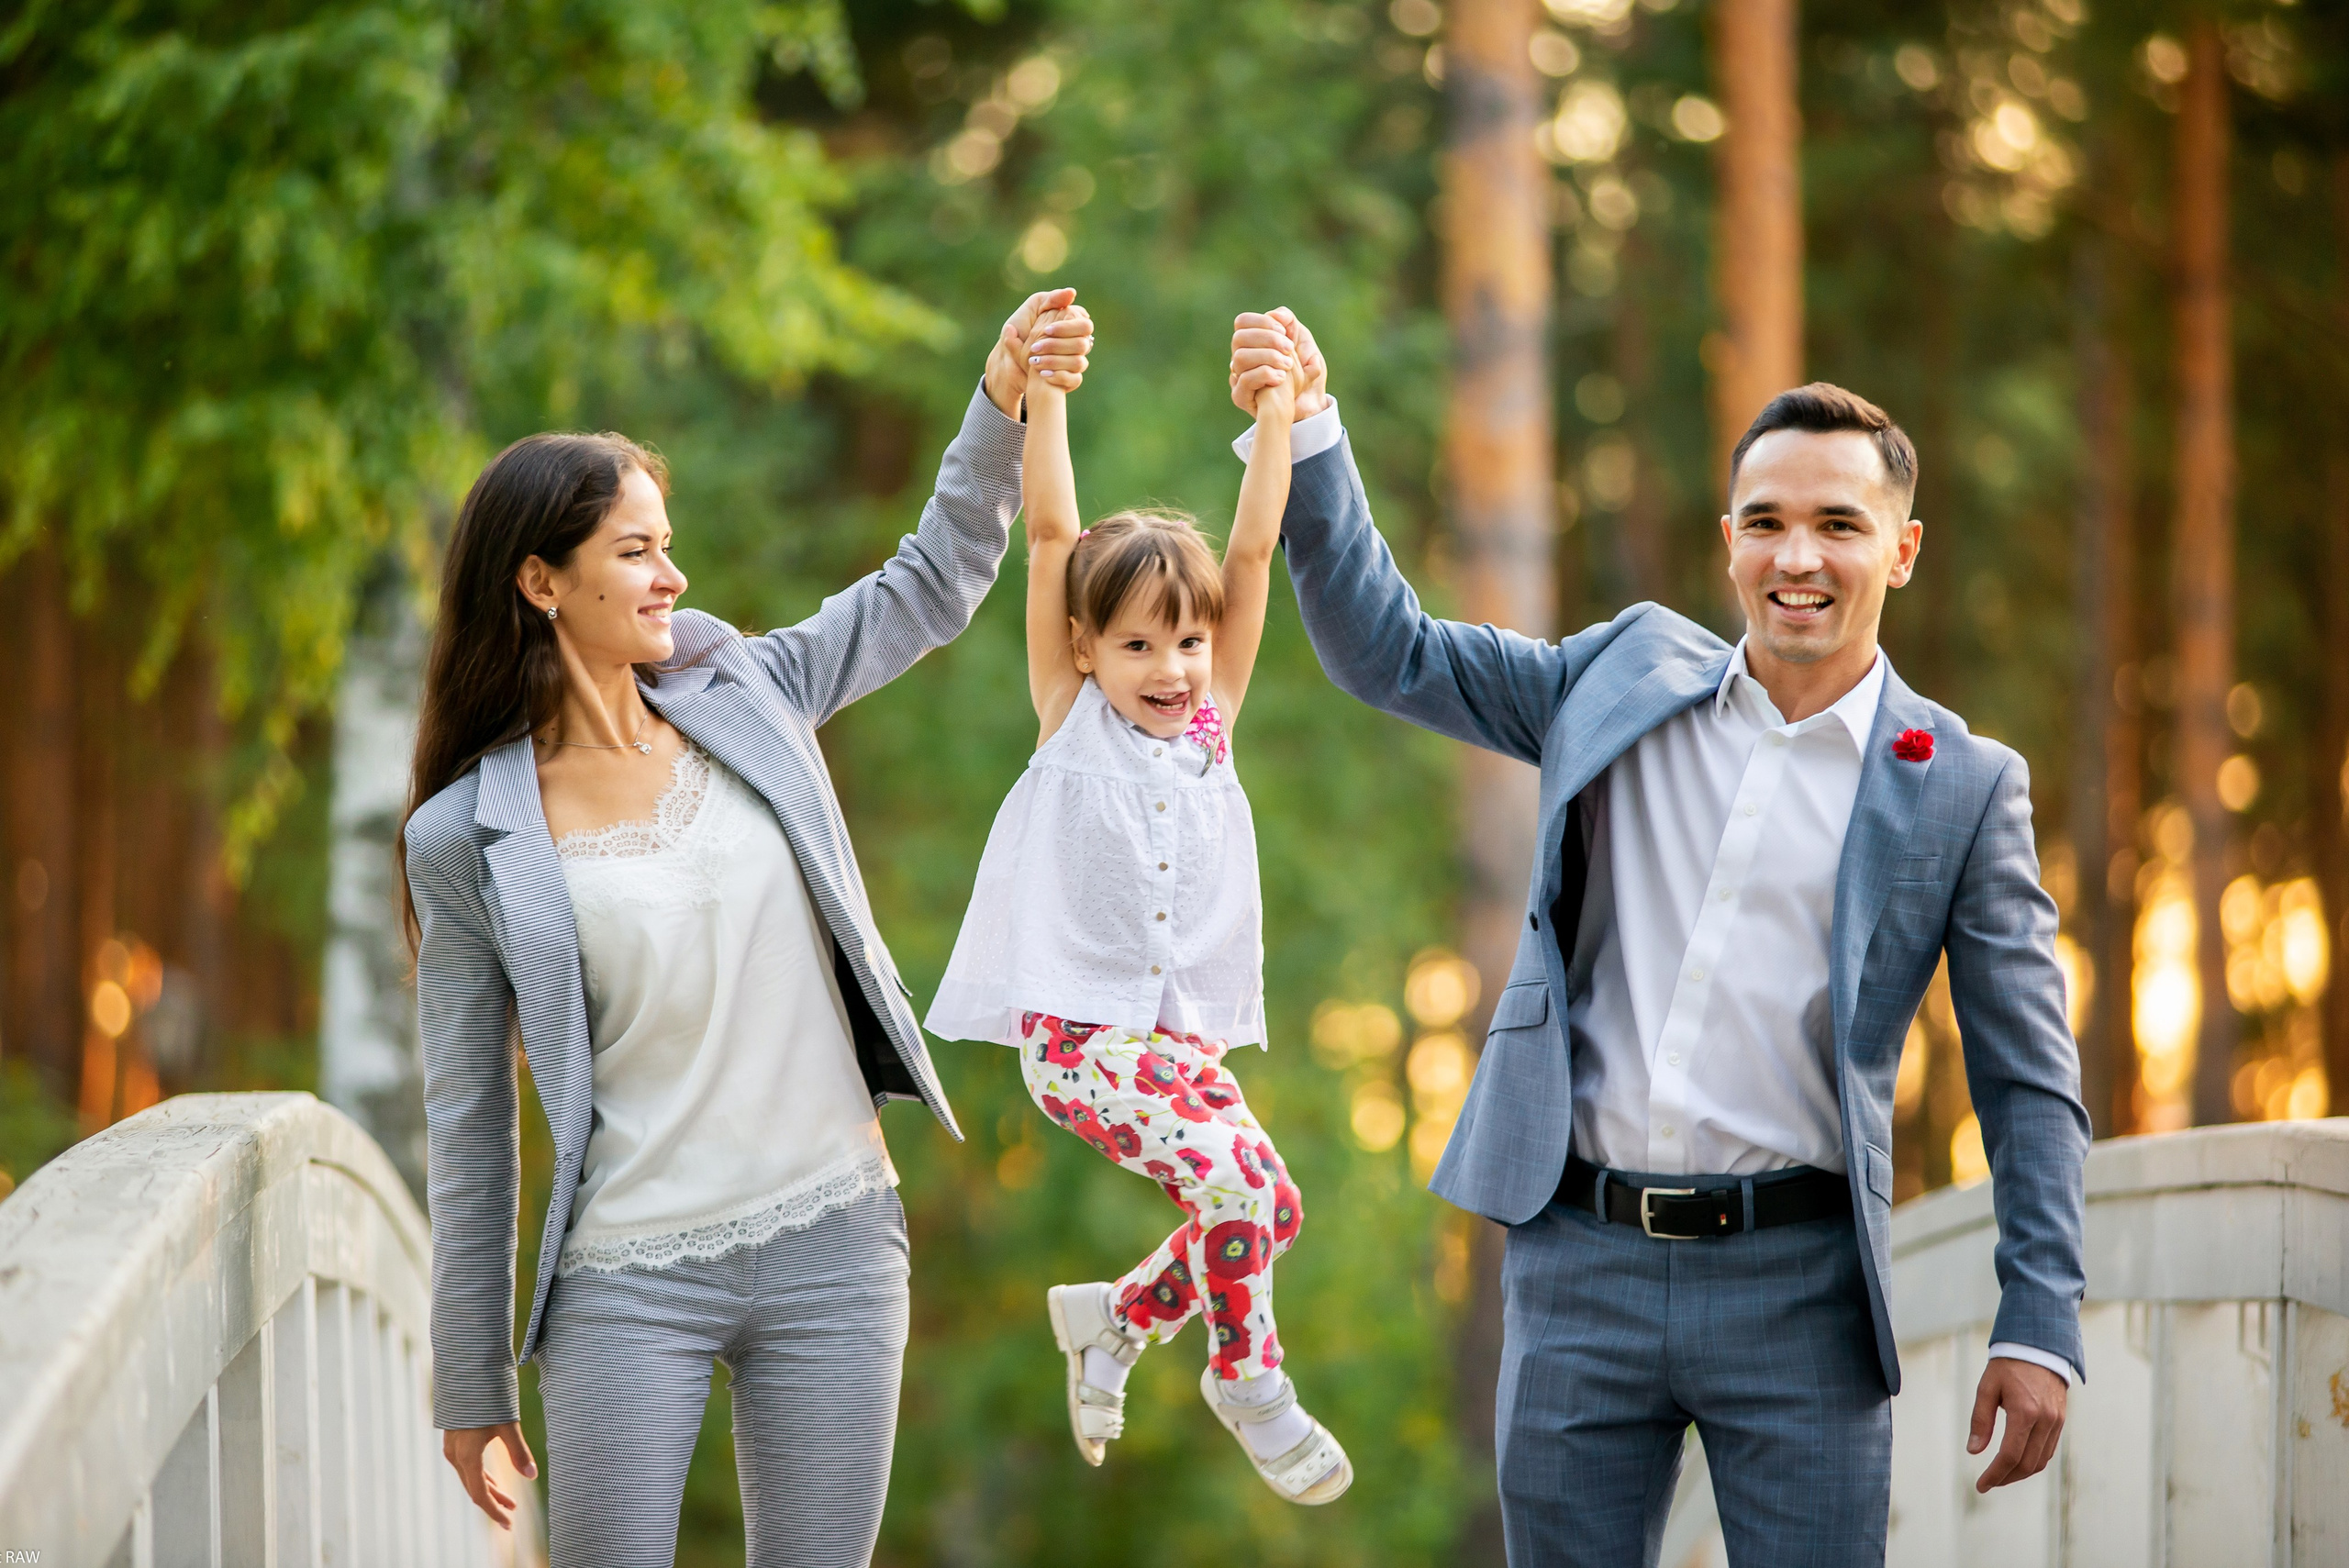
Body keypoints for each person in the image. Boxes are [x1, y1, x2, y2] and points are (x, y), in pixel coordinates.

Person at [1226, 310, 2089, 1565]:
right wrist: (1309, 430)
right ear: (1728, 538)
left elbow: (2027, 1077)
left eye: (1839, 524)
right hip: (1579, 1265)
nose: (1799, 556)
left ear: (1901, 550)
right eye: (1767, 521)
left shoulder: (1961, 782)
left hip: (1803, 1293)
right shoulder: (1624, 674)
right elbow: (1390, 653)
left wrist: (2040, 1317)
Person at [401, 288, 1095, 1568]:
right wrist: (471, 1377)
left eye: (668, 545)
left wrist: (1000, 399)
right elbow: (471, 1118)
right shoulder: (464, 837)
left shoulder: (744, 690)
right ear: (542, 581)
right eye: (635, 551)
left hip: (835, 1235)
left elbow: (928, 585)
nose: (673, 576)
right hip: (626, 1276)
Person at [923, 307, 1350, 1505]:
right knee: (1233, 1192)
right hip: (1082, 1038)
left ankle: (1115, 1320)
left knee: (1271, 1206)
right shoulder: (1071, 721)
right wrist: (1045, 392)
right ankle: (1248, 1378)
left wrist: (1277, 411)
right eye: (1139, 646)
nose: (1172, 669)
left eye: (1189, 644)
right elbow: (1052, 532)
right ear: (1083, 648)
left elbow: (1252, 557)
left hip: (1177, 1044)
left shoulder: (1212, 729)